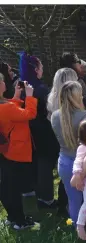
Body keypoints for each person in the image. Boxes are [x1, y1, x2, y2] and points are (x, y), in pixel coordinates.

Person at [19, 53, 61, 212]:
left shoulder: (21, 85)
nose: (42, 69)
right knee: (45, 164)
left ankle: (37, 192)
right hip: (42, 130)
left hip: (27, 129)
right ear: (36, 69)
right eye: (41, 67)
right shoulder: (41, 89)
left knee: (36, 162)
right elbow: (48, 110)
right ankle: (47, 198)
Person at [51, 81, 86, 224]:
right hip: (85, 163)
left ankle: (77, 230)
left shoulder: (54, 116)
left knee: (73, 200)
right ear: (78, 96)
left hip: (64, 162)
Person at [0, 79, 39, 229]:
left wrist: (16, 96)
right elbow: (29, 114)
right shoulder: (7, 108)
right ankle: (19, 221)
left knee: (8, 184)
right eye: (2, 80)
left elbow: (11, 109)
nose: (4, 82)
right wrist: (29, 96)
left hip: (7, 150)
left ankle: (12, 217)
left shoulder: (5, 104)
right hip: (16, 149)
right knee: (14, 187)